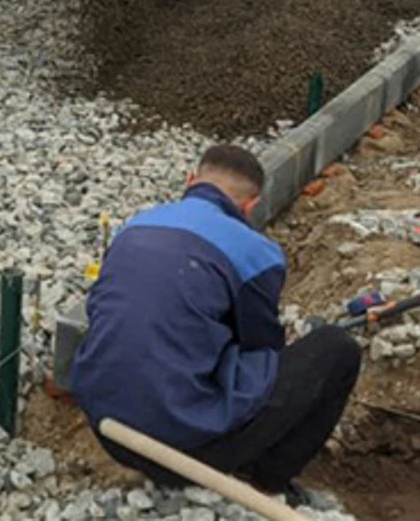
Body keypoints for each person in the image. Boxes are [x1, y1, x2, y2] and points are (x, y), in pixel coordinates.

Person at [69, 144, 362, 504]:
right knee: (338, 349)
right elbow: (261, 347)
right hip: (183, 454)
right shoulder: (256, 253)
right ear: (250, 205)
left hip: (108, 429)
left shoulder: (136, 226)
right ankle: (267, 481)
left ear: (191, 180)